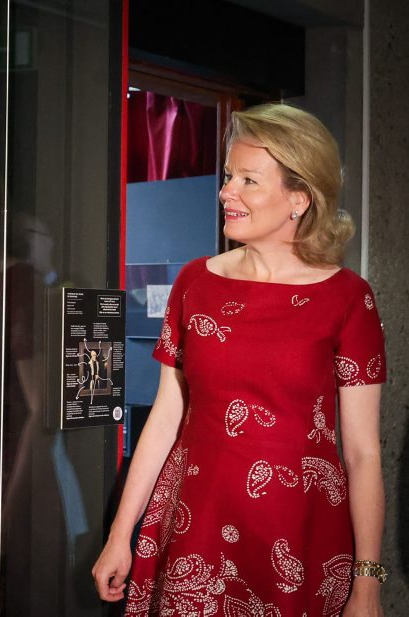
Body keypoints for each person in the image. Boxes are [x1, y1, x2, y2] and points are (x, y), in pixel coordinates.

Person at [92, 103, 387, 617]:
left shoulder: (347, 298)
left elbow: (362, 453)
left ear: (299, 198)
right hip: (196, 523)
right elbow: (165, 418)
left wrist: (367, 583)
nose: (226, 191)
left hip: (298, 531)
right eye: (229, 176)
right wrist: (121, 535)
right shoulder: (195, 282)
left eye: (248, 180)